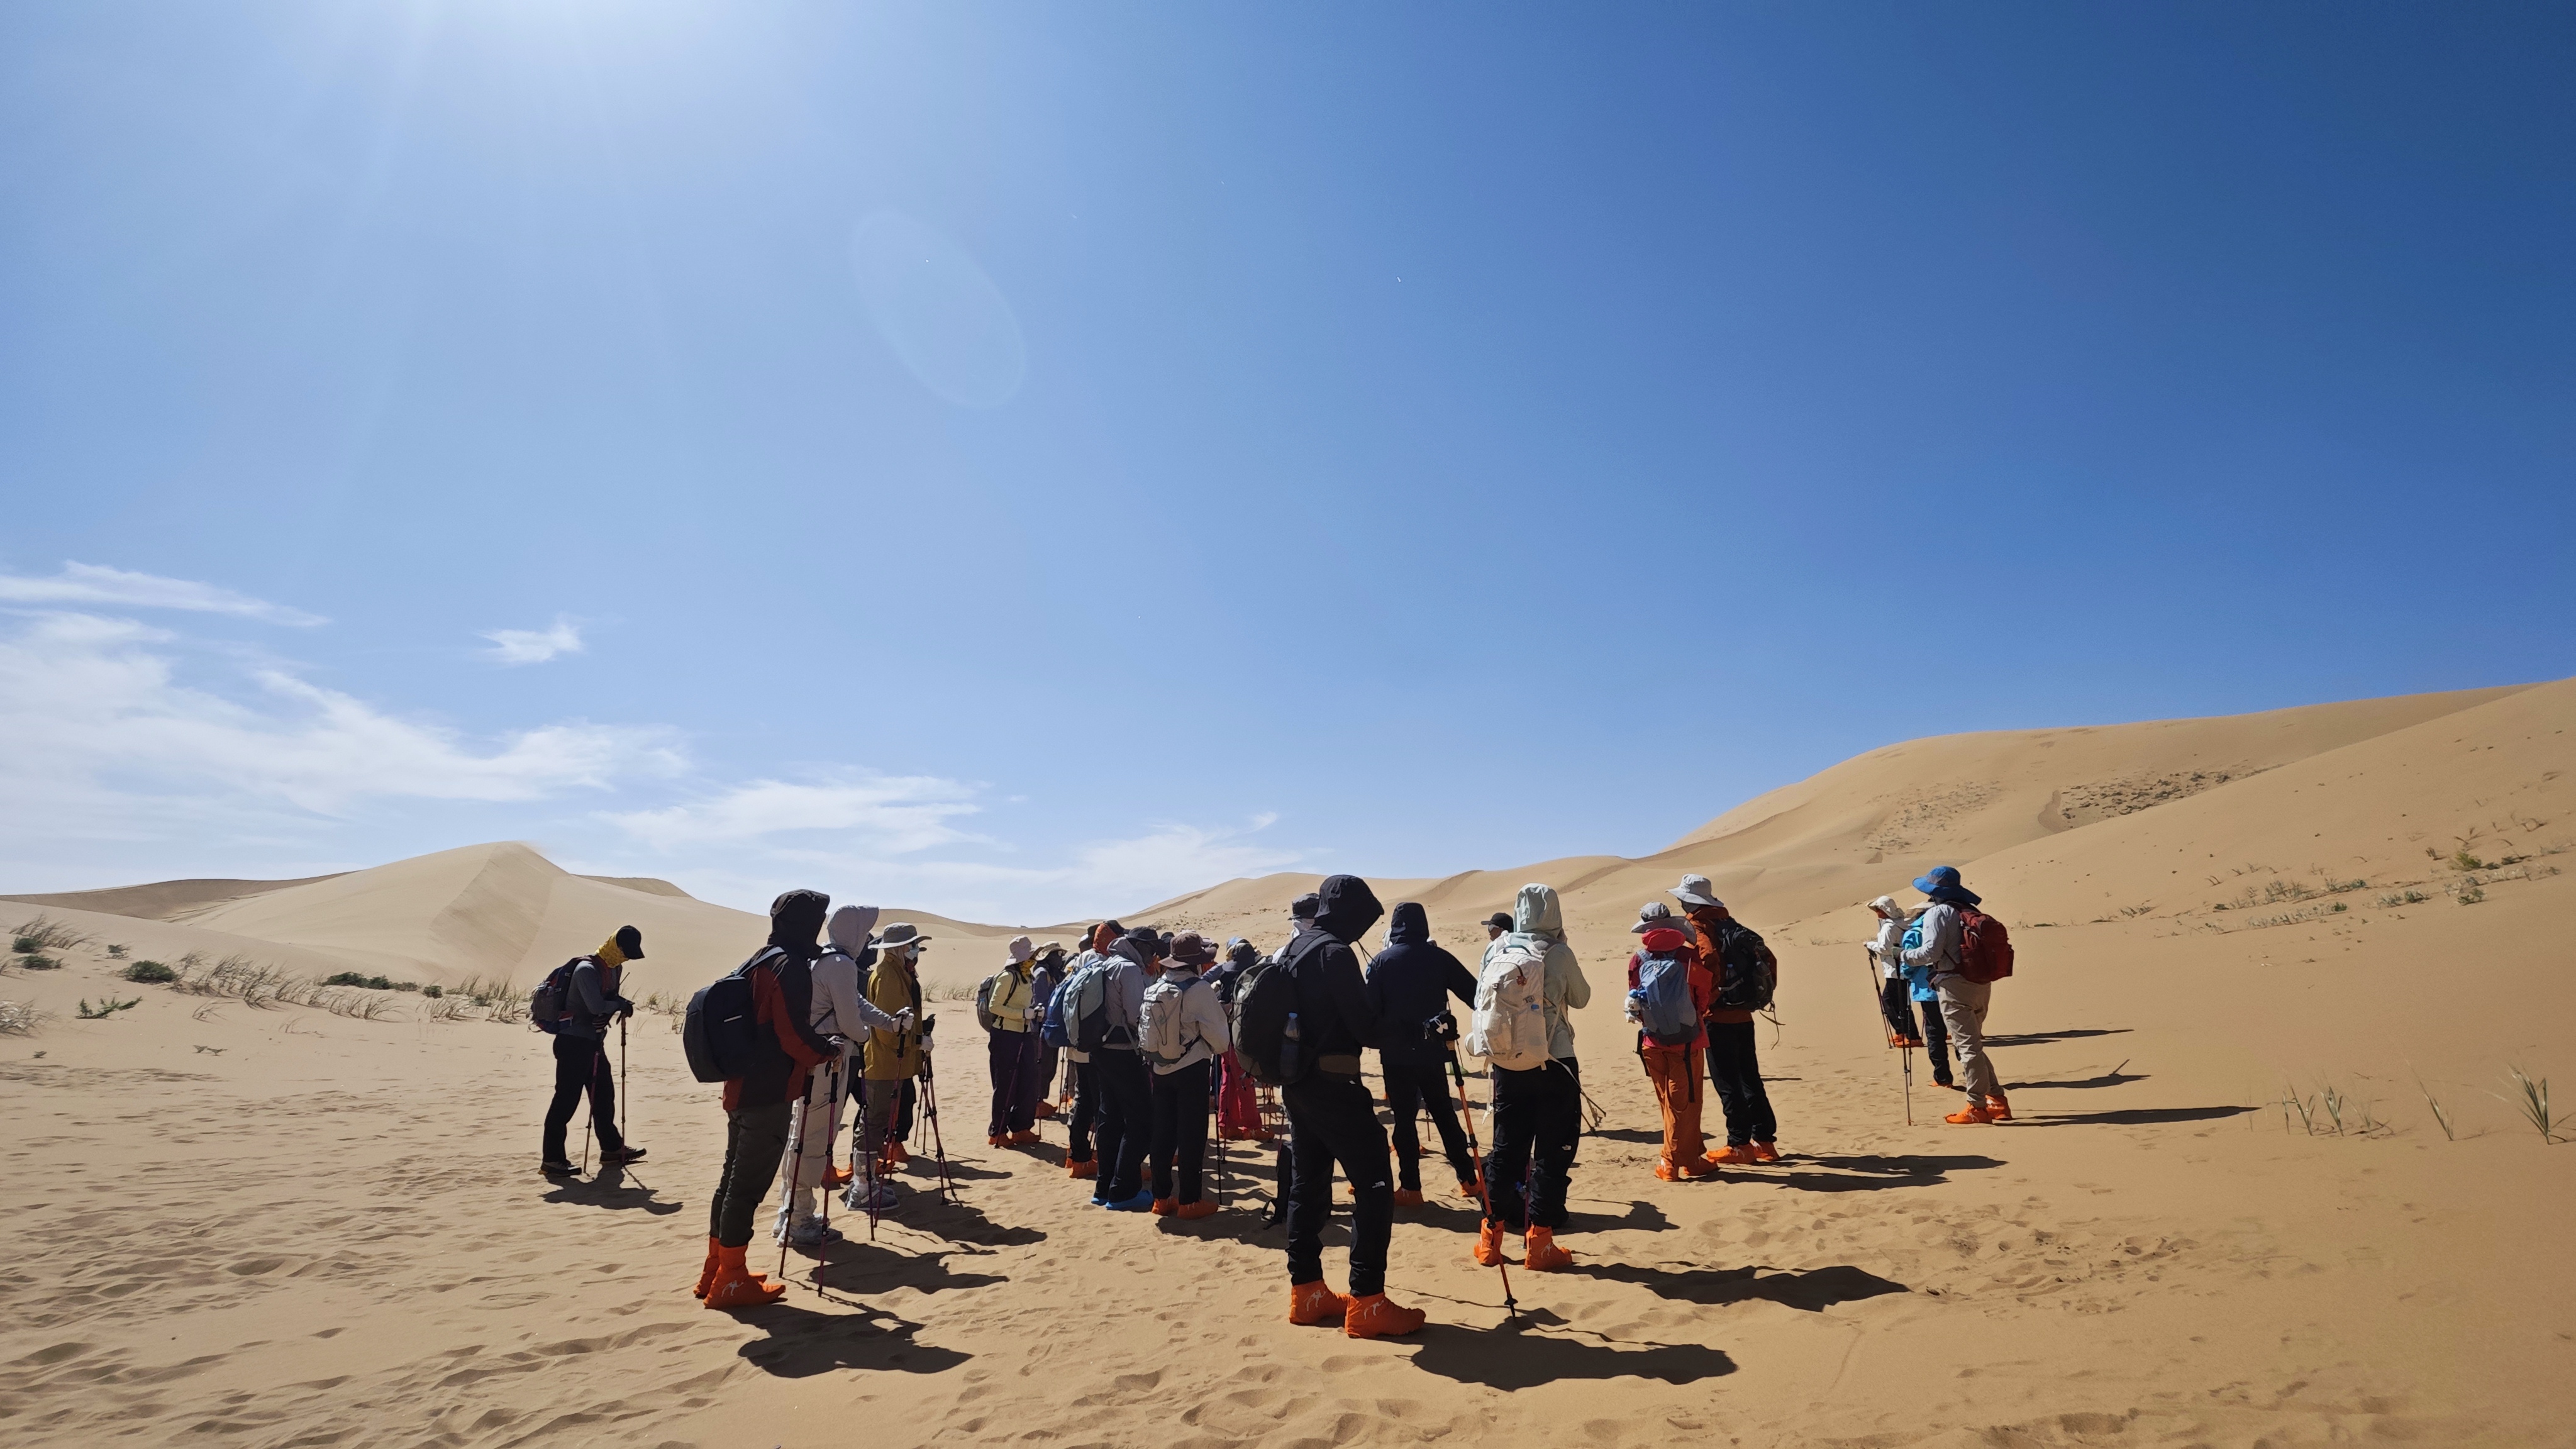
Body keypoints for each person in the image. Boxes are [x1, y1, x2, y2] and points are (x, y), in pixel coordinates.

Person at [1280, 874, 1426, 1338]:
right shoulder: (1334, 953)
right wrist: (1413, 1030)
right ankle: (1367, 1301)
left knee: (1308, 1184)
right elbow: (1364, 1027)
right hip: (1334, 1085)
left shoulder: (1295, 948)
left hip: (1298, 1084)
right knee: (1375, 1185)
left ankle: (1307, 1293)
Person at [697, 891, 840, 1311]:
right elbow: (792, 1034)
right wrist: (825, 1052)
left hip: (742, 1087)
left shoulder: (761, 957)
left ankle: (717, 1270)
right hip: (767, 1092)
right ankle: (731, 1279)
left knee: (731, 1182)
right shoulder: (789, 965)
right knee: (746, 1186)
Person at [1474, 883, 1589, 1273]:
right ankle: (1539, 1244)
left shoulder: (1497, 948)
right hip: (1555, 1062)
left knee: (1506, 1150)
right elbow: (1582, 998)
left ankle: (1490, 1241)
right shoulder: (1558, 952)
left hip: (1508, 1062)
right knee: (1554, 1153)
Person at [780, 906, 906, 1241]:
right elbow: (851, 1019)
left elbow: (857, 1004)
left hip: (819, 1058)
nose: (866, 940)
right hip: (829, 1061)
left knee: (803, 1134)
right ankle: (799, 1219)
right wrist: (864, 1036)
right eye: (864, 931)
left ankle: (791, 1212)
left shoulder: (827, 960)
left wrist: (889, 1023)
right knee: (814, 1137)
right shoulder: (841, 964)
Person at [1363, 902, 1478, 1205]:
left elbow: (1369, 1010)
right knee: (1444, 1114)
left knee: (1404, 1120)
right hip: (1432, 1051)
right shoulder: (1439, 957)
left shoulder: (1382, 961)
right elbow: (1475, 994)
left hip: (1396, 1055)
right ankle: (1469, 1179)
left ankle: (1411, 1188)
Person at [1672, 874, 1782, 1165]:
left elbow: (1708, 958)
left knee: (1727, 1082)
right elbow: (1769, 959)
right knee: (1750, 1077)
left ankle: (1740, 1144)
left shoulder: (1700, 927)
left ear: (1690, 902)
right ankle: (1765, 1143)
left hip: (1717, 1016)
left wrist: (1707, 999)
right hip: (1743, 1013)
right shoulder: (1730, 924)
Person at [1905, 865, 2009, 1124]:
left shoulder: (1939, 913)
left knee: (1967, 1048)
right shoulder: (1969, 911)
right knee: (1972, 1045)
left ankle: (1977, 1107)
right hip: (1981, 984)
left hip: (1954, 984)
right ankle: (1997, 1100)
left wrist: (1903, 955)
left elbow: (1930, 953)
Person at [541, 926, 645, 1175]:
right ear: (615, 946)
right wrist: (618, 1005)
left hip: (594, 1042)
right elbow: (596, 1006)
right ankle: (552, 1160)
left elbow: (608, 1003)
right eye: (625, 952)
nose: (626, 958)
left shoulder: (615, 969)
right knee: (566, 1101)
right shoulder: (586, 970)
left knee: (604, 1097)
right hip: (573, 1043)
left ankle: (611, 1149)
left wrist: (618, 1006)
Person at [1143, 931, 1231, 1219]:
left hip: (1160, 1067)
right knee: (1192, 1135)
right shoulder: (1199, 989)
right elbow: (1221, 1041)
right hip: (1192, 1069)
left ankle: (1161, 1198)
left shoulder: (1158, 985)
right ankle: (1190, 1201)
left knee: (1163, 1133)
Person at [1625, 911, 1716, 1181]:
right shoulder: (1688, 957)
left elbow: (1634, 995)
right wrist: (1696, 1015)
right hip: (1687, 1042)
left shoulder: (1639, 959)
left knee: (1669, 1103)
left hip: (1652, 1040)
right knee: (1686, 1103)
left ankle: (1693, 1158)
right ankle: (1670, 1162)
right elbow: (1703, 994)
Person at [1090, 926, 1162, 1211]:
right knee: (1141, 1121)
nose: (1153, 955)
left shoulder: (1108, 963)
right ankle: (1123, 1192)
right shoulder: (1129, 970)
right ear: (1141, 946)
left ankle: (1104, 1188)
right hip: (1124, 1051)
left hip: (1102, 1050)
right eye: (1151, 949)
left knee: (1110, 1119)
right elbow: (1136, 1016)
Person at [855, 922, 932, 1184]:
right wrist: (917, 1041)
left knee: (887, 1114)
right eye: (912, 945)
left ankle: (869, 1174)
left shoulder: (901, 972)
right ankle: (863, 1180)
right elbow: (888, 1030)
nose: (916, 950)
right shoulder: (888, 975)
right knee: (875, 1120)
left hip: (897, 1060)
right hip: (885, 1061)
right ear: (899, 948)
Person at [1061, 922, 1119, 1183]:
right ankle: (1104, 1162)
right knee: (1100, 1104)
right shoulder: (1105, 963)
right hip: (1097, 1045)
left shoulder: (1080, 961)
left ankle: (1078, 1156)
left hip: (1077, 1042)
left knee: (1083, 1099)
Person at [1208, 938, 1270, 1141]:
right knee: (1245, 1080)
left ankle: (1227, 1125)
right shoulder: (1249, 980)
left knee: (1229, 1078)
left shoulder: (1226, 977)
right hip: (1242, 1037)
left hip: (1225, 1036)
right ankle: (1251, 1127)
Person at [985, 936, 1043, 1148]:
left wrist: (1033, 1013)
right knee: (1006, 1083)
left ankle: (1021, 1128)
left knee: (1028, 1081)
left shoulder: (1027, 977)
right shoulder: (1008, 977)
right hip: (1005, 1036)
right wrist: (1022, 1014)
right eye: (1031, 955)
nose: (1034, 958)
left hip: (1024, 1033)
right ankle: (998, 1131)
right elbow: (994, 1006)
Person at [1868, 896, 1924, 1048]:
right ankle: (1902, 1032)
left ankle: (1912, 1036)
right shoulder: (1902, 923)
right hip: (1903, 968)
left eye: (1879, 909)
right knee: (1897, 1002)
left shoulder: (1890, 927)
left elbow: (1885, 948)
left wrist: (1870, 944)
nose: (1877, 912)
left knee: (1895, 1002)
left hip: (1895, 970)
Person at [1028, 942, 1068, 1121]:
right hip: (1041, 1028)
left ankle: (1041, 1101)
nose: (1060, 958)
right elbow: (1041, 1002)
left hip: (1052, 1028)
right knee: (1042, 1067)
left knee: (1050, 1067)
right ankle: (1036, 1103)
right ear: (1048, 957)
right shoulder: (1042, 973)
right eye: (1057, 955)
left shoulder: (1054, 974)